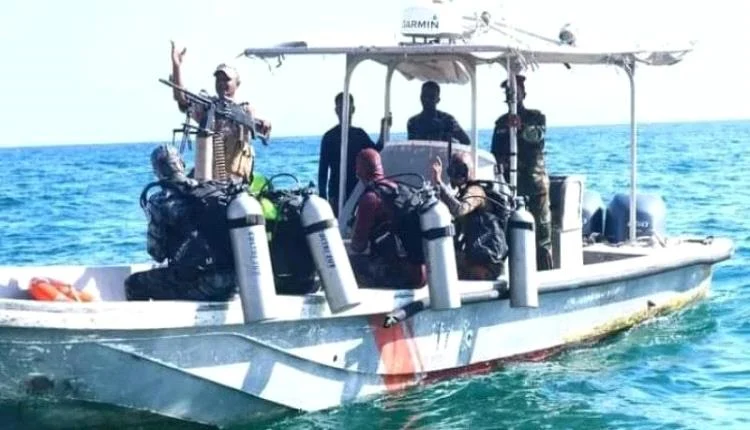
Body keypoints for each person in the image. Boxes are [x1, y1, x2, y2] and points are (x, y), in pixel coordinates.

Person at [125, 145, 237, 301]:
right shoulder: (212, 190)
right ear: (182, 164)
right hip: (232, 281)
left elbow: (157, 254)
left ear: (157, 172)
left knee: (133, 284)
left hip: (200, 283)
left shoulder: (160, 201)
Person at [169, 41, 270, 182]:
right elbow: (181, 97)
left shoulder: (246, 110)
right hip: (208, 180)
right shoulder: (208, 107)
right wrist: (176, 66)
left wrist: (263, 124)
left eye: (226, 80)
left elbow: (262, 130)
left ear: (237, 84)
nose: (222, 83)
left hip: (236, 183)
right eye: (218, 80)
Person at [491, 74, 552, 270]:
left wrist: (521, 126)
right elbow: (494, 153)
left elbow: (537, 136)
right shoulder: (501, 123)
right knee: (510, 233)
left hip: (534, 185)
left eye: (515, 92)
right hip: (509, 187)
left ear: (523, 94)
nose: (512, 96)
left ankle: (545, 275)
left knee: (541, 235)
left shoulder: (536, 117)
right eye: (509, 93)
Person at [348, 149, 427, 288]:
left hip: (398, 274)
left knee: (347, 264)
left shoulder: (371, 198)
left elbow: (358, 246)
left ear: (359, 171)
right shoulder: (400, 190)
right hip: (421, 273)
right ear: (380, 168)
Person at [431, 152, 506, 280]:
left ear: (470, 171)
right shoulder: (461, 194)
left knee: (440, 266)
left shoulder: (476, 191)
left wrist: (439, 182)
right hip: (475, 256)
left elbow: (460, 209)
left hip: (486, 264)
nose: (457, 174)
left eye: (461, 169)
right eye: (454, 170)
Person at [318, 92, 391, 216]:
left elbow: (377, 152)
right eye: (341, 108)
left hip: (358, 190)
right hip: (336, 193)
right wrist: (323, 199)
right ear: (336, 111)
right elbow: (323, 171)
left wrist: (383, 129)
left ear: (353, 109)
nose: (344, 111)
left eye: (347, 107)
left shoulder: (359, 134)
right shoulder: (329, 137)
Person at [407, 81, 471, 145]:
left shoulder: (448, 120)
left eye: (431, 97)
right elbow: (411, 146)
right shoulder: (412, 122)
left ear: (438, 100)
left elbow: (466, 142)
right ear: (420, 97)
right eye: (424, 96)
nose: (427, 99)